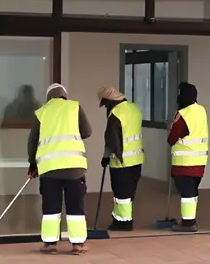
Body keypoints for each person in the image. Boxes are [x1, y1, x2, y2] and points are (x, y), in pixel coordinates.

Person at [27, 83, 93, 255]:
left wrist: (32, 164)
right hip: (74, 168)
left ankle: (50, 245)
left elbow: (32, 141)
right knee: (76, 207)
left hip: (49, 169)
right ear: (64, 95)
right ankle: (78, 245)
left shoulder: (41, 112)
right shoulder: (75, 107)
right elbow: (87, 132)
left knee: (51, 207)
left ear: (48, 97)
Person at [98, 86, 144, 231]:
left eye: (105, 103)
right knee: (129, 192)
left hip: (121, 161)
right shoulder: (135, 109)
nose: (105, 106)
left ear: (110, 101)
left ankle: (124, 222)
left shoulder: (115, 113)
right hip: (136, 159)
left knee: (121, 193)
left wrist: (106, 157)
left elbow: (111, 139)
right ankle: (119, 218)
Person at [167, 82, 207, 233]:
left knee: (187, 193)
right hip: (199, 160)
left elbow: (172, 138)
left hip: (184, 162)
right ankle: (190, 219)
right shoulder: (201, 110)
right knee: (192, 191)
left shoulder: (183, 114)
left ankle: (188, 223)